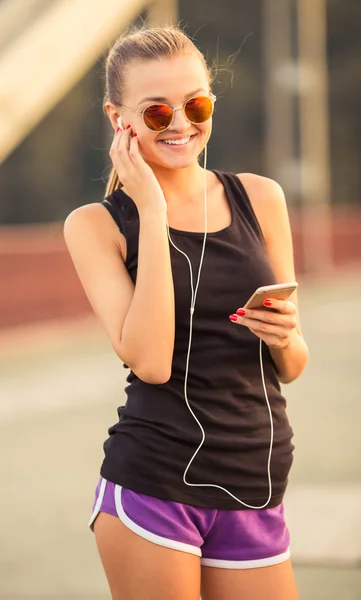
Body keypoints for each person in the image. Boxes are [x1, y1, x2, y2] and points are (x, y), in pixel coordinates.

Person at [64, 24, 308, 600]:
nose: (180, 123)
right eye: (155, 112)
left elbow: (293, 365)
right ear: (116, 117)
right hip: (155, 485)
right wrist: (150, 208)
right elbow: (149, 361)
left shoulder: (261, 197)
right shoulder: (96, 226)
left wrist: (283, 336)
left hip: (256, 482)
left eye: (195, 103)